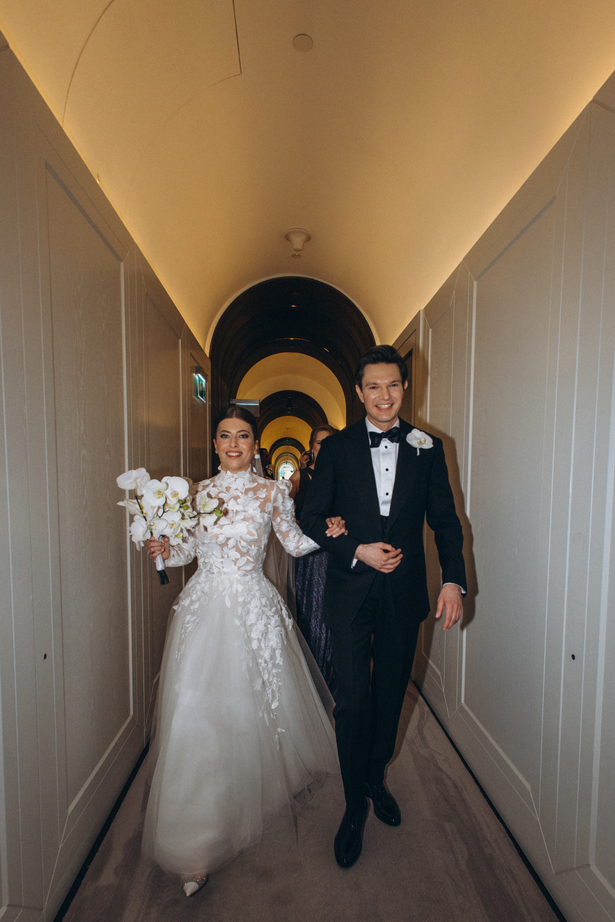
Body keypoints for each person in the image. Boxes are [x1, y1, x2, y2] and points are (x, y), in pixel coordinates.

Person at [142, 406, 341, 896]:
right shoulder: (196, 492)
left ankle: (247, 793)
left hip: (253, 608)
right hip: (203, 608)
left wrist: (331, 532)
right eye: (225, 436)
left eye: (243, 436)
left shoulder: (272, 492)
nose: (234, 444)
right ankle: (195, 840)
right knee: (194, 712)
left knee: (250, 708)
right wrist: (165, 550)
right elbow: (190, 551)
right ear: (214, 444)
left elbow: (293, 545)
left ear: (256, 446)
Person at [300, 345, 466, 869]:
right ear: (359, 391)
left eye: (393, 385)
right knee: (353, 701)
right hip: (350, 592)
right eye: (373, 386)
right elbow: (309, 514)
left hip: (404, 594)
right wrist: (352, 546)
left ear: (404, 387)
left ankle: (376, 776)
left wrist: (454, 582)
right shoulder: (338, 449)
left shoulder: (427, 447)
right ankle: (353, 805)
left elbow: (445, 520)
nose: (384, 395)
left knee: (391, 696)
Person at [289, 425, 337, 691]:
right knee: (314, 611)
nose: (325, 447)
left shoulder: (345, 475)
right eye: (320, 443)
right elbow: (285, 512)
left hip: (339, 552)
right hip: (311, 554)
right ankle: (313, 674)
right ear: (311, 447)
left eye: (331, 442)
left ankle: (334, 671)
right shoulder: (301, 476)